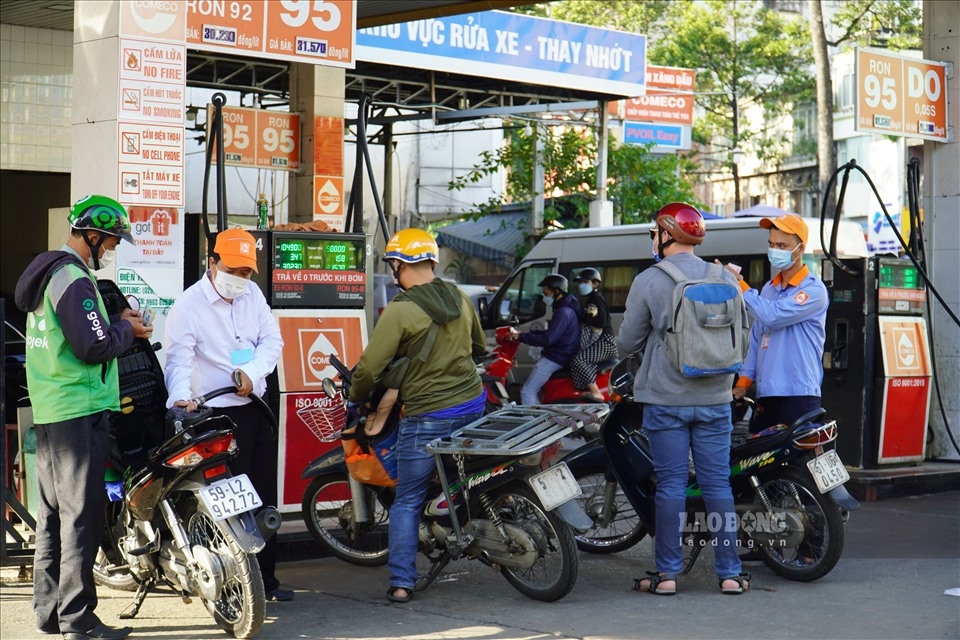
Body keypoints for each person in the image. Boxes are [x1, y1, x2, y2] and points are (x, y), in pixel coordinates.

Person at [15, 195, 152, 640]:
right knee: (81, 516)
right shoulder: (72, 277)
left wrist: (113, 319)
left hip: (53, 408)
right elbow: (92, 347)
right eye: (110, 241)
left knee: (54, 515)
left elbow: (77, 329)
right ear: (91, 235)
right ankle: (79, 619)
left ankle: (49, 611)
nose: (111, 249)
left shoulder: (49, 274)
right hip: (79, 410)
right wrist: (128, 330)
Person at [348, 228, 486, 604]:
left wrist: (356, 396)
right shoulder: (458, 296)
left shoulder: (401, 309)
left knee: (407, 498)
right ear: (431, 261)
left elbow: (370, 368)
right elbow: (478, 347)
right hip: (474, 405)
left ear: (398, 265)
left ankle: (402, 581)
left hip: (428, 415)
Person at [618, 202, 749, 596]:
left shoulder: (650, 280)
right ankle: (729, 574)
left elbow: (627, 341)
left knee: (672, 485)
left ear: (665, 234)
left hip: (665, 400)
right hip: (716, 397)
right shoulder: (725, 276)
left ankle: (668, 575)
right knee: (718, 487)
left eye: (654, 233)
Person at [163, 227, 292, 602]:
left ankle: (265, 580)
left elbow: (272, 340)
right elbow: (179, 358)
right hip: (212, 416)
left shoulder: (253, 295)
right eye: (233, 269)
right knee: (223, 501)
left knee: (262, 495)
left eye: (247, 272)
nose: (240, 279)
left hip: (254, 410)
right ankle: (230, 585)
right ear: (212, 262)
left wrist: (252, 374)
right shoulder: (189, 305)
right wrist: (181, 397)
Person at [722, 214, 829, 433]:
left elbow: (773, 315)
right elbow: (757, 338)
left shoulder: (813, 290)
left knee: (797, 464)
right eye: (771, 244)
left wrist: (740, 285)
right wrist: (743, 382)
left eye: (782, 245)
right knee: (761, 462)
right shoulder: (769, 289)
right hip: (767, 393)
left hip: (799, 393)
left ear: (800, 249)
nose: (775, 250)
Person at [508, 274, 580, 405]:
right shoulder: (565, 309)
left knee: (527, 392)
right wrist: (525, 333)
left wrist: (520, 337)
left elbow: (548, 339)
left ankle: (533, 423)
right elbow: (552, 333)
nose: (544, 296)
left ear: (556, 291)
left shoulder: (563, 312)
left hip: (556, 357)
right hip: (562, 354)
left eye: (546, 293)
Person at [570, 268, 618, 402]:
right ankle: (587, 390)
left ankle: (596, 392)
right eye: (580, 283)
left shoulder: (596, 299)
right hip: (601, 341)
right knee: (575, 360)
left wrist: (583, 317)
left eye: (585, 282)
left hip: (606, 342)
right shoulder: (591, 299)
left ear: (595, 284)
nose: (581, 285)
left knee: (579, 360)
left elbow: (600, 321)